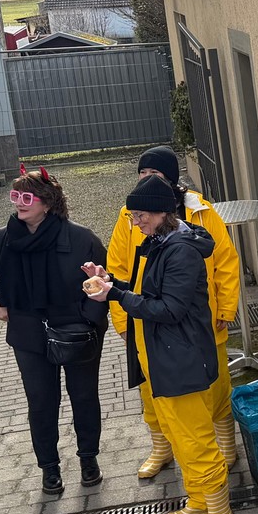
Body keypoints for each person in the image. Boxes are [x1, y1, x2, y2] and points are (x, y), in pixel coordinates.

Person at [85, 174, 231, 514]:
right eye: (134, 216)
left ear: (163, 212)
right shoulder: (161, 242)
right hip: (164, 358)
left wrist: (116, 296)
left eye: (141, 216)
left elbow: (169, 309)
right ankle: (198, 499)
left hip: (182, 359)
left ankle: (219, 509)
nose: (135, 223)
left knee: (196, 438)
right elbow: (144, 291)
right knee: (178, 434)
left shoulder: (180, 251)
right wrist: (110, 283)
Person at [0, 168, 107, 497]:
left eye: (27, 197)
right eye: (15, 196)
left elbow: (103, 281)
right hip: (29, 333)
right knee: (41, 401)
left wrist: (88, 320)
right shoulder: (3, 240)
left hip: (76, 330)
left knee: (84, 396)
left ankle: (89, 459)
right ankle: (49, 468)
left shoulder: (81, 238)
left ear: (48, 202)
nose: (19, 203)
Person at [106, 146, 240, 481]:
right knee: (153, 392)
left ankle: (225, 445)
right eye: (142, 173)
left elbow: (225, 261)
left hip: (200, 319)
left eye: (153, 173)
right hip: (148, 320)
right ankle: (162, 448)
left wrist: (226, 307)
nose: (146, 179)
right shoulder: (130, 216)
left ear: (170, 178)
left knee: (215, 386)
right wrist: (122, 319)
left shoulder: (199, 211)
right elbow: (118, 264)